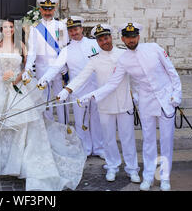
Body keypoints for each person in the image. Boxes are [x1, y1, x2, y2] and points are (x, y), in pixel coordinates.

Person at [0, 19, 86, 191]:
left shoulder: (22, 46)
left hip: (17, 86)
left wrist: (15, 79)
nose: (8, 29)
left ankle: (18, 163)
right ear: (1, 29)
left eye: (11, 27)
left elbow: (27, 68)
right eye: (5, 27)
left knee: (22, 124)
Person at [78, 22, 182, 191]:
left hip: (166, 99)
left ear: (138, 36)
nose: (131, 40)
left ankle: (163, 177)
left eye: (133, 36)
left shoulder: (154, 48)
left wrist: (176, 94)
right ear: (123, 39)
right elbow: (112, 84)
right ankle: (148, 176)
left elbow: (171, 71)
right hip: (145, 102)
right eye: (127, 37)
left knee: (166, 141)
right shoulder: (124, 59)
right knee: (148, 141)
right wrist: (91, 95)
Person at [57, 24, 140, 184]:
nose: (104, 42)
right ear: (97, 42)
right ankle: (112, 166)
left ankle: (132, 169)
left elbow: (136, 76)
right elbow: (81, 77)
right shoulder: (94, 60)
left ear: (111, 38)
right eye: (100, 40)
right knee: (108, 138)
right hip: (105, 105)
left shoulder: (124, 54)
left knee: (127, 138)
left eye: (106, 38)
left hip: (125, 104)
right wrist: (67, 89)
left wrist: (136, 95)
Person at [38, 16, 105, 159]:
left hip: (96, 87)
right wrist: (44, 79)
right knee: (81, 122)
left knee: (96, 119)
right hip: (77, 90)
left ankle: (99, 147)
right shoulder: (66, 50)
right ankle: (85, 148)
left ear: (81, 29)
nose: (74, 33)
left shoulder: (94, 43)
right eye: (71, 30)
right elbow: (56, 67)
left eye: (76, 29)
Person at [24, 0, 69, 122]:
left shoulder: (61, 26)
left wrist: (65, 68)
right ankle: (49, 131)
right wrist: (28, 69)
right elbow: (32, 51)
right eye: (45, 9)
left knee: (61, 100)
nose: (48, 12)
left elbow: (65, 47)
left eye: (50, 9)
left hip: (59, 69)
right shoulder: (35, 28)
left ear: (54, 9)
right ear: (40, 10)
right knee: (46, 103)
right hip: (42, 69)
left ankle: (63, 129)